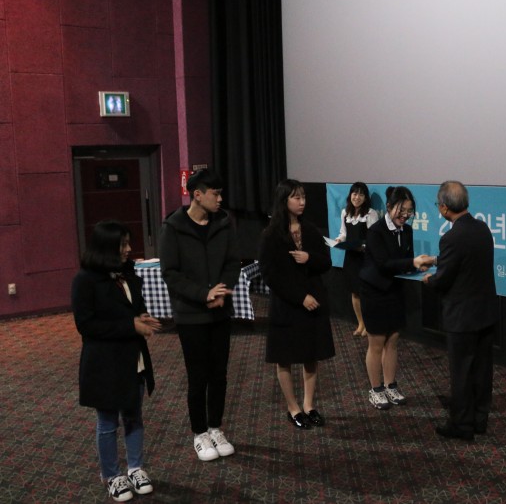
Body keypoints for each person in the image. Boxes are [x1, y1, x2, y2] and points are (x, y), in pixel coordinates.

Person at [71, 220, 161, 502]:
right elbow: (87, 326)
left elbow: (135, 306)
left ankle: (135, 468)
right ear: (106, 247)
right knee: (108, 421)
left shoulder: (128, 273)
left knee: (134, 415)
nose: (129, 249)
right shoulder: (85, 280)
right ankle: (111, 474)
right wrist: (131, 325)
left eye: (128, 243)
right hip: (104, 363)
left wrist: (142, 316)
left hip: (133, 358)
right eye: (123, 244)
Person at [159, 169, 241, 460]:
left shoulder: (224, 222)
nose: (220, 199)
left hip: (220, 312)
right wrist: (203, 294)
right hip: (191, 314)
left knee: (219, 374)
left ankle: (216, 427)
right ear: (197, 194)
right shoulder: (173, 226)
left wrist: (221, 292)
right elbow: (170, 273)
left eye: (220, 194)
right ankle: (200, 433)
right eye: (215, 194)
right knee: (198, 376)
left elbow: (233, 263)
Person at [422, 181, 499, 441]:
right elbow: (465, 261)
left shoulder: (451, 237)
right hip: (485, 312)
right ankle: (479, 419)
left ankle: (462, 425)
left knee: (462, 372)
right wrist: (436, 261)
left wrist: (429, 280)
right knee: (482, 369)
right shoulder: (482, 228)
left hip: (462, 317)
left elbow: (444, 279)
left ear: (444, 207)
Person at [259, 179, 335, 429]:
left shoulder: (310, 230)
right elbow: (270, 275)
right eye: (296, 197)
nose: (302, 202)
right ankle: (293, 408)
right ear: (284, 200)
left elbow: (326, 262)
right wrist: (300, 297)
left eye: (304, 197)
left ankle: (309, 405)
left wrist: (309, 257)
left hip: (313, 302)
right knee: (285, 358)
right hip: (287, 305)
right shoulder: (271, 234)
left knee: (311, 354)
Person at [360, 186, 434, 410]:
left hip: (395, 291)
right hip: (375, 292)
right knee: (376, 343)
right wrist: (411, 262)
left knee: (393, 341)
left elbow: (403, 262)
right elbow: (383, 264)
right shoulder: (375, 231)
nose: (405, 215)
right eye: (401, 210)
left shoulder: (407, 231)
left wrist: (418, 268)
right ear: (389, 207)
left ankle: (390, 385)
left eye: (409, 211)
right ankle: (375, 390)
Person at [333, 181, 380, 337]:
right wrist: (339, 240)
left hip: (365, 258)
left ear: (365, 198)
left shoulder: (371, 214)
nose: (357, 197)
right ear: (350, 195)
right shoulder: (345, 212)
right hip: (351, 257)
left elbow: (374, 238)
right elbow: (343, 233)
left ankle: (369, 324)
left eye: (361, 194)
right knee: (354, 292)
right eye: (354, 193)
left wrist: (364, 246)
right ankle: (360, 323)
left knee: (365, 293)